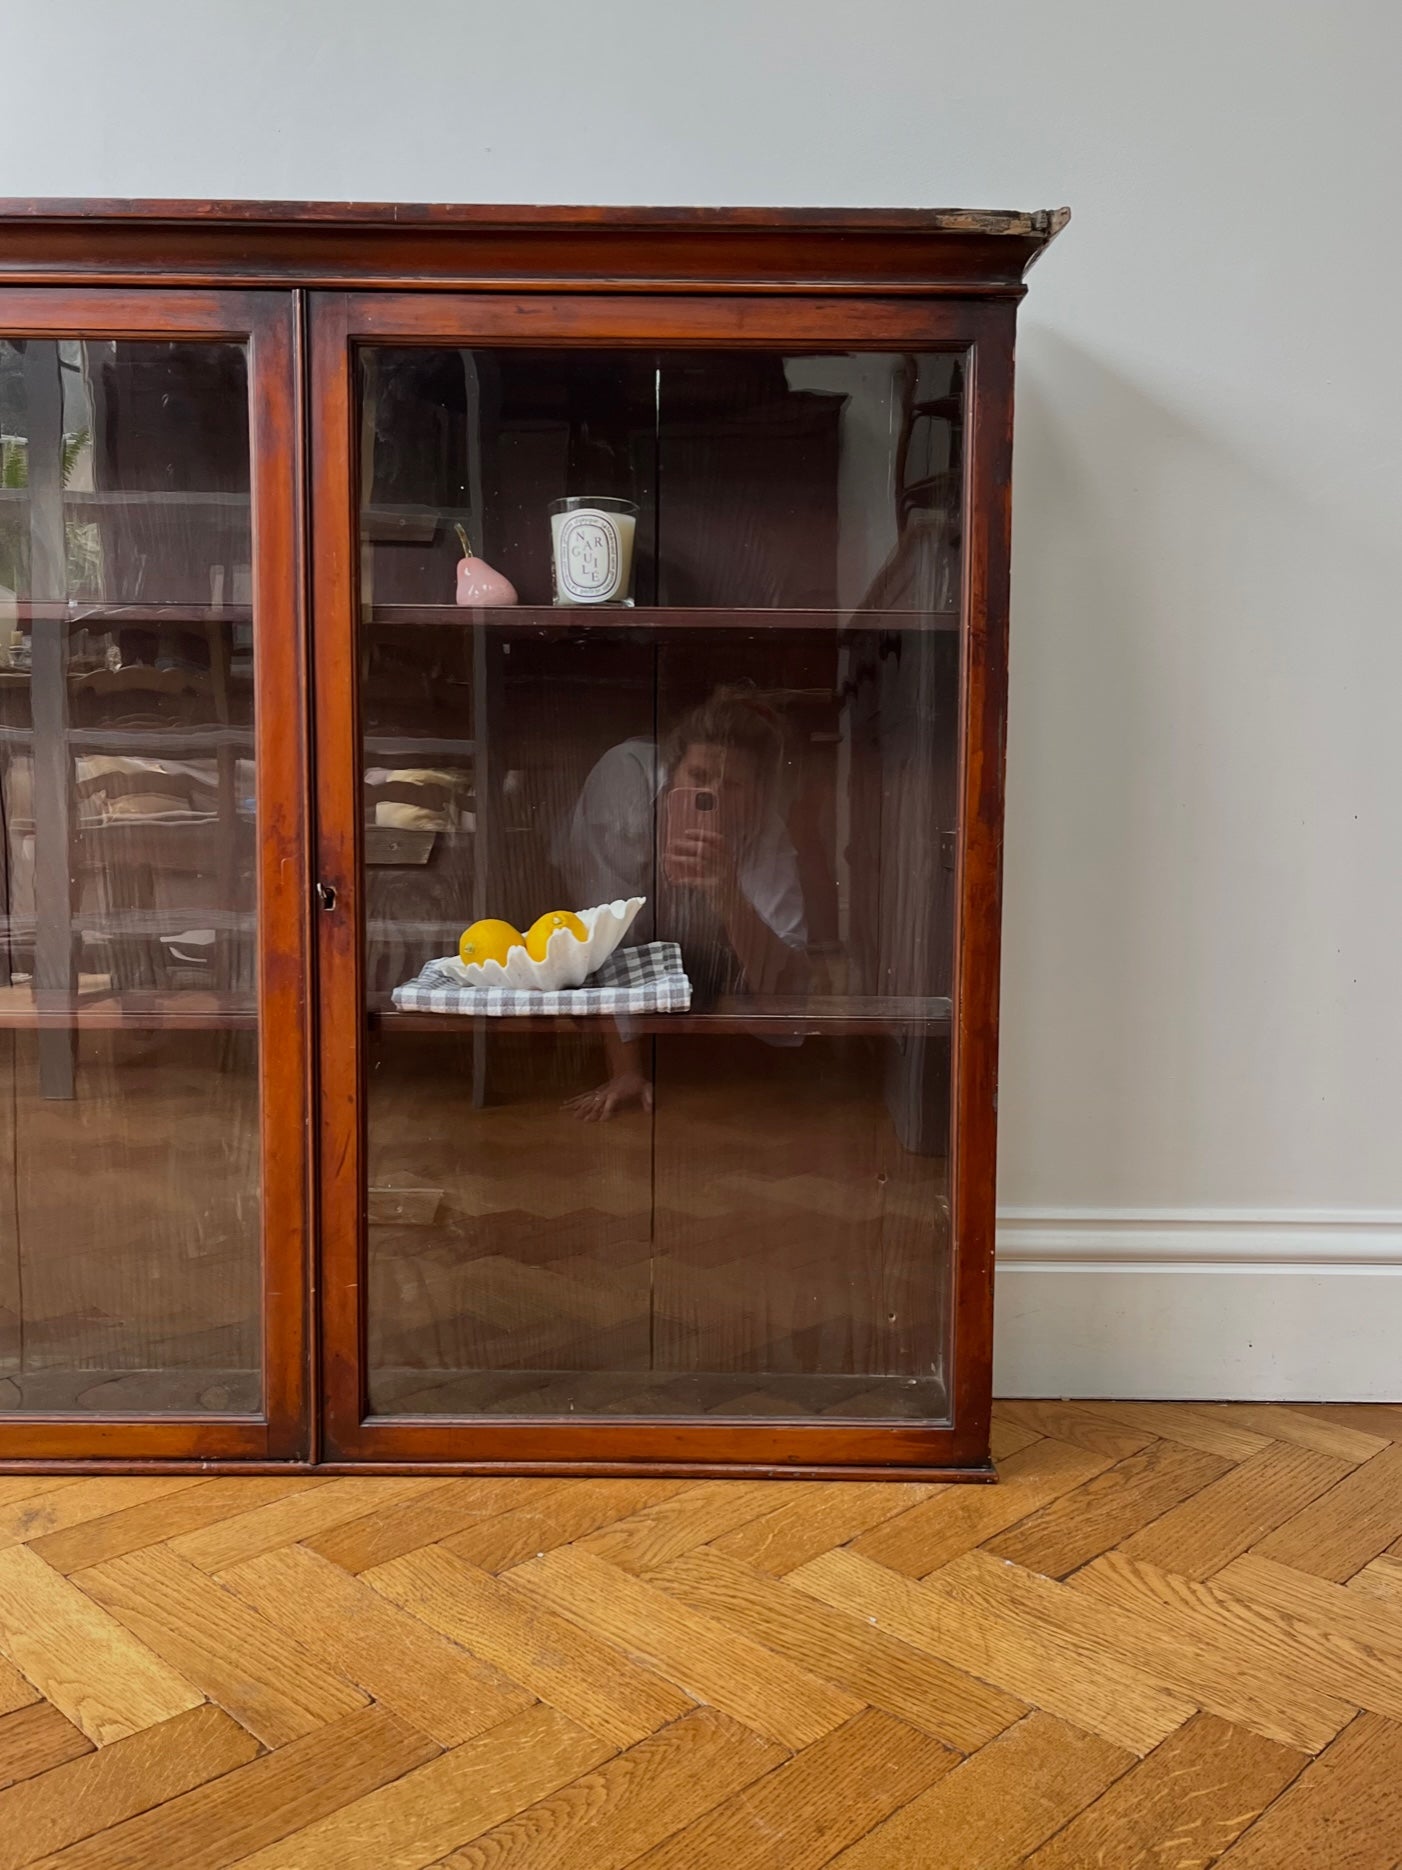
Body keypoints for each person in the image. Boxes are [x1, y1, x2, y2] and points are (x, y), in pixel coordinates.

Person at [559, 688, 808, 1119]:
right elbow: (606, 937)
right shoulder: (623, 797)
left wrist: (730, 896)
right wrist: (626, 1073)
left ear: (759, 796)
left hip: (692, 954)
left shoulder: (768, 834)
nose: (711, 795)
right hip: (594, 886)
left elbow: (785, 989)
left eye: (732, 784)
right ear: (671, 773)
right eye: (698, 775)